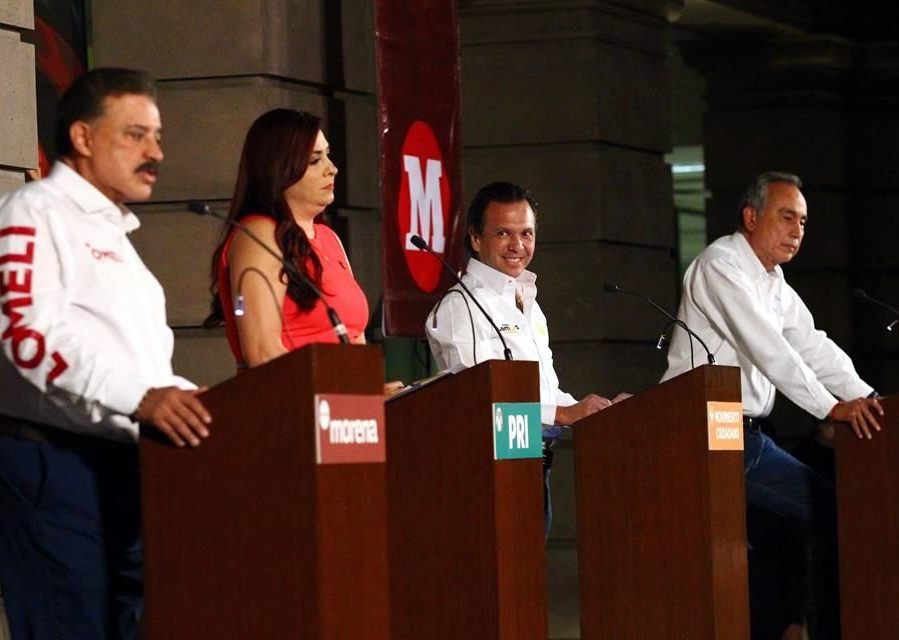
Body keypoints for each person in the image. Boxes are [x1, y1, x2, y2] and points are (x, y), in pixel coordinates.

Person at [0, 68, 212, 640]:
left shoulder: (118, 242)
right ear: (82, 137)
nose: (155, 152)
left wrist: (195, 399)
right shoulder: (29, 214)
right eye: (135, 134)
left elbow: (139, 363)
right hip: (51, 464)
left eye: (157, 136)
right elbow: (29, 337)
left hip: (121, 466)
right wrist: (142, 397)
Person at [661, 171, 884, 640]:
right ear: (750, 216)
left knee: (831, 514)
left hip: (747, 437)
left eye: (803, 222)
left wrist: (864, 396)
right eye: (787, 218)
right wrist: (829, 408)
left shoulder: (774, 282)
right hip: (699, 431)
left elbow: (812, 345)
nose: (797, 231)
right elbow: (768, 348)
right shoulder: (720, 264)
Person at [424, 181, 626, 537]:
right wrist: (562, 414)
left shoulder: (528, 303)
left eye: (527, 233)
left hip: (535, 463)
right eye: (503, 233)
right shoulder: (462, 307)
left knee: (528, 586)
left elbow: (548, 392)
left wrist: (591, 409)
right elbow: (479, 403)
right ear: (474, 238)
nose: (518, 246)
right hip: (486, 473)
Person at [206, 108, 401, 393]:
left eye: (328, 154)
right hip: (289, 413)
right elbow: (262, 353)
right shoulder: (259, 234)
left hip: (348, 416)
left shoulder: (329, 238)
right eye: (314, 160)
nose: (331, 168)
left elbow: (353, 336)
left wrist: (370, 389)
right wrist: (347, 390)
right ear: (279, 169)